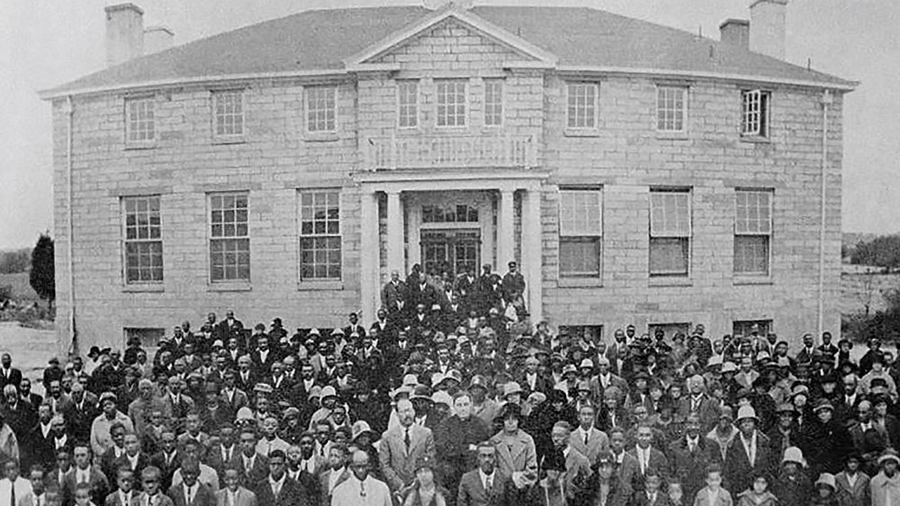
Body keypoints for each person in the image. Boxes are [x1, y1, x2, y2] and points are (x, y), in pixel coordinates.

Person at [378, 399, 436, 493]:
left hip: (420, 487)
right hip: (397, 489)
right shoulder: (387, 436)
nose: (407, 414)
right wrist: (399, 484)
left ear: (414, 412)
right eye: (403, 412)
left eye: (409, 410)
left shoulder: (426, 433)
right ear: (397, 414)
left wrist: (417, 482)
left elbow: (430, 460)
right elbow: (384, 464)